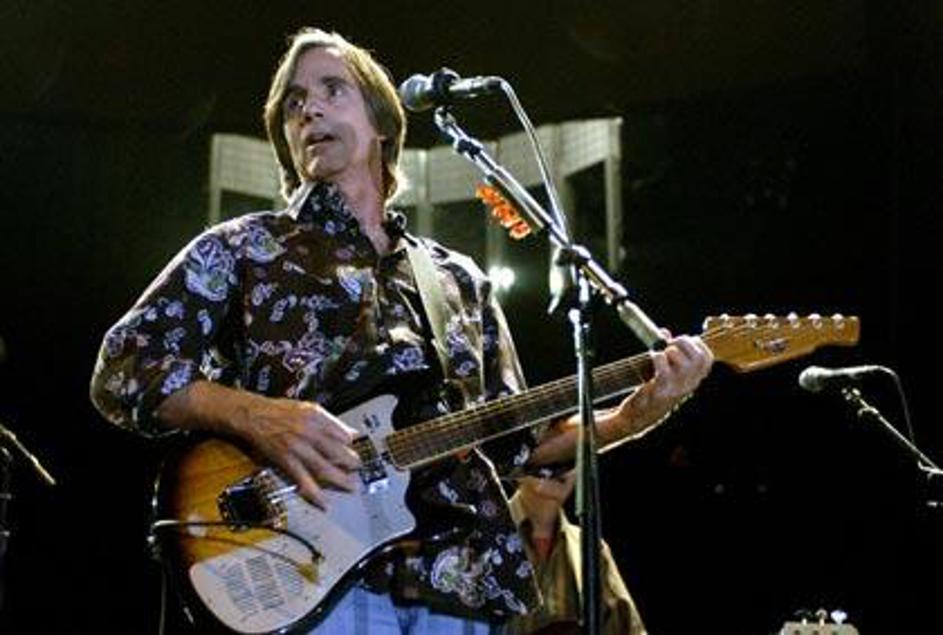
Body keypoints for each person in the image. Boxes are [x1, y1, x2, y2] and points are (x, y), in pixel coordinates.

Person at [89, 27, 712, 634]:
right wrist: (259, 417)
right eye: (294, 104)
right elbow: (123, 368)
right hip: (315, 579)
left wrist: (633, 417)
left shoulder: (459, 280)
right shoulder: (244, 248)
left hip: (460, 590)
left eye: (332, 89)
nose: (309, 110)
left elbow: (516, 442)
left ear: (383, 123)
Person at [505, 472, 647, 635]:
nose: (559, 467)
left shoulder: (590, 546)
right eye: (545, 458)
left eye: (570, 460)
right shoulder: (483, 537)